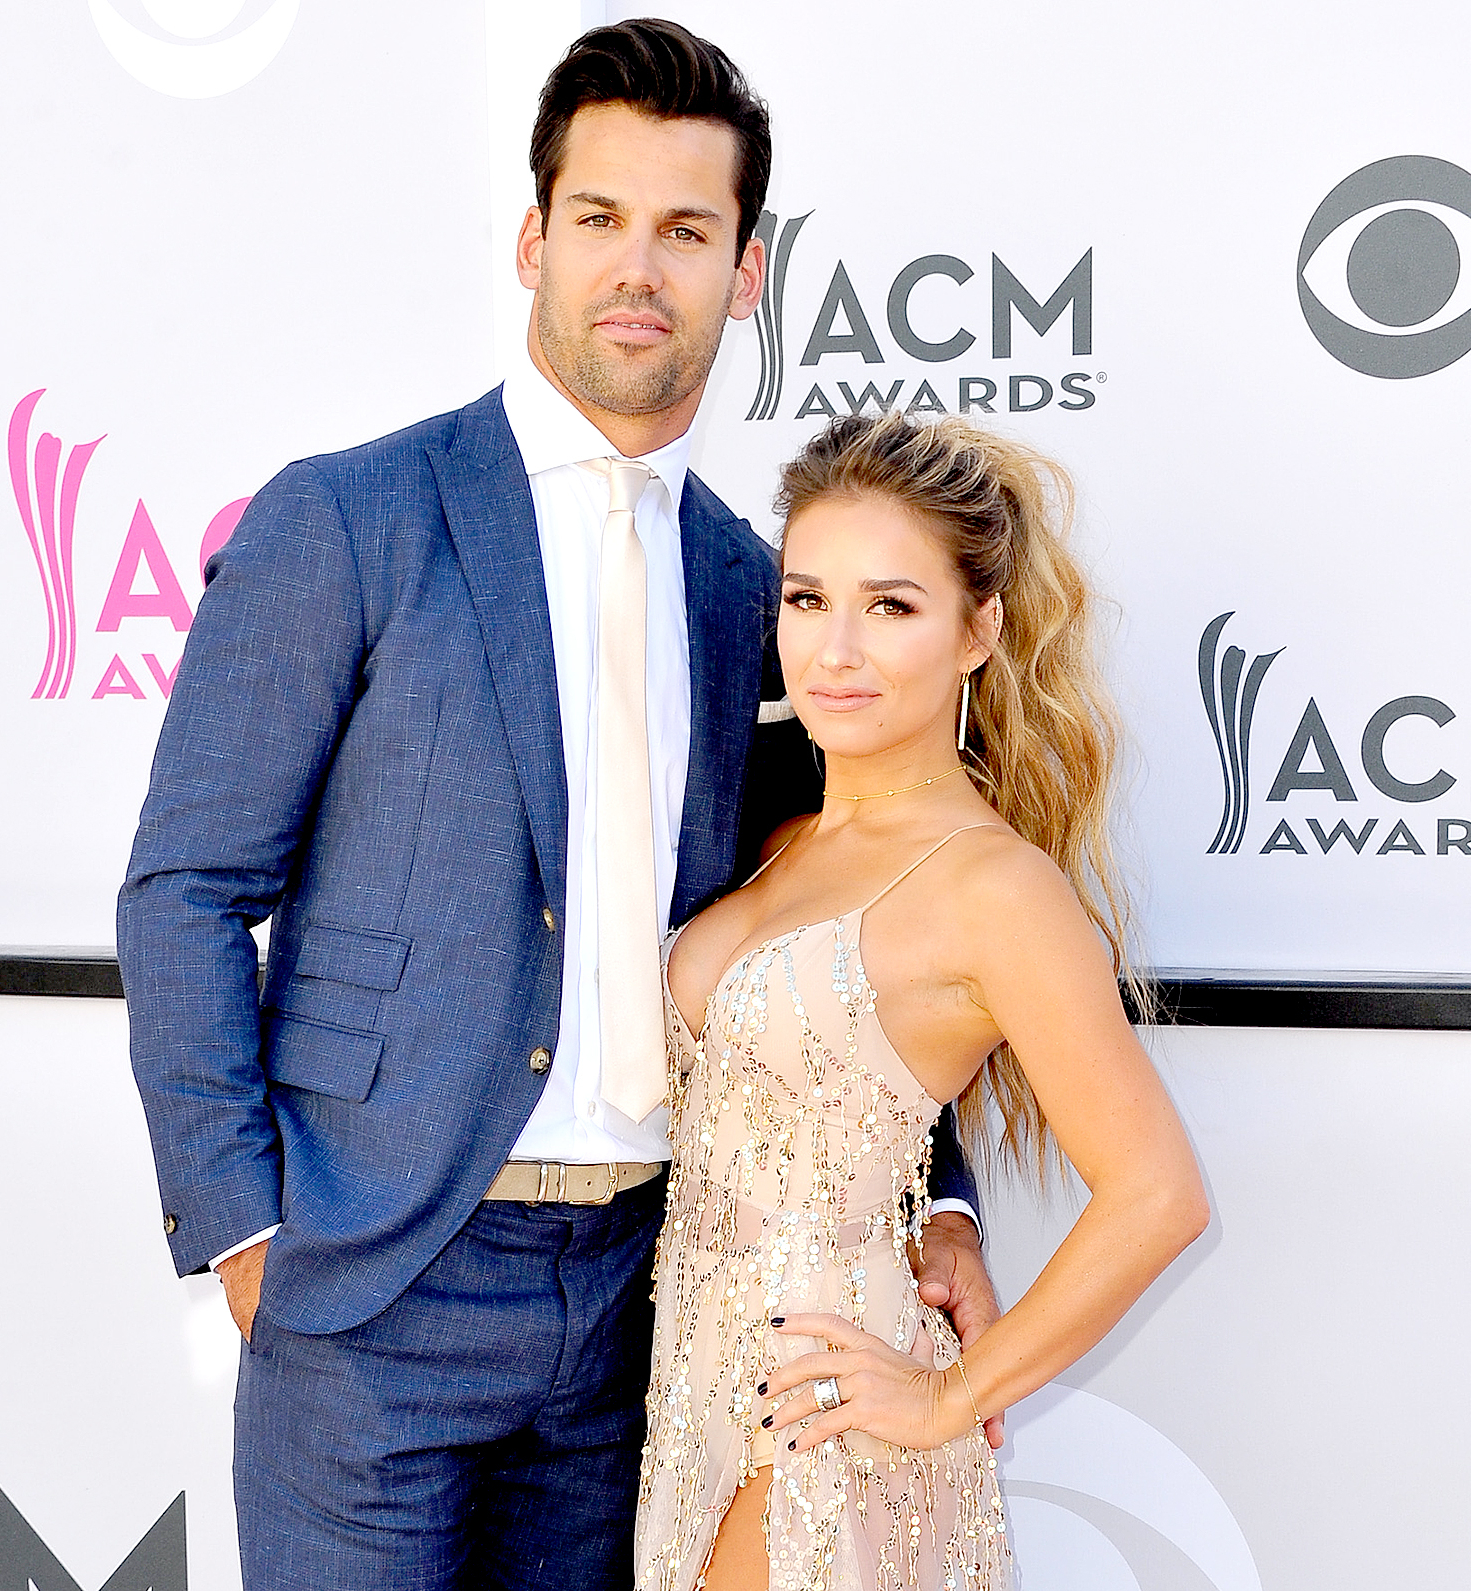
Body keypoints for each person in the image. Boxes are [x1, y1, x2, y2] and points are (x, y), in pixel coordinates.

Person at [116, 21, 996, 1590]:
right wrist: (245, 1231)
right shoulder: (351, 517)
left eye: (687, 230)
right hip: (374, 1283)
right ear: (533, 240)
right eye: (599, 217)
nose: (637, 268)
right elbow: (184, 888)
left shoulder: (758, 589)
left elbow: (854, 912)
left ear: (747, 272)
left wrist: (943, 1197)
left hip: (644, 1304)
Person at [637, 411, 1211, 1590]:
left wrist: (950, 1395)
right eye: (808, 599)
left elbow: (1158, 1195)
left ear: (977, 631)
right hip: (683, 1399)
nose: (836, 649)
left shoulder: (996, 888)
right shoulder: (781, 838)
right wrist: (949, 1217)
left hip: (820, 1414)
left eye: (891, 606)